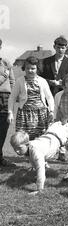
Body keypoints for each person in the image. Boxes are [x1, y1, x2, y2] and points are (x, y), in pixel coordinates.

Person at [10, 112, 68, 194]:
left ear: (27, 144)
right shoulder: (27, 149)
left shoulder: (35, 151)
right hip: (51, 133)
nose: (17, 151)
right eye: (14, 149)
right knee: (66, 124)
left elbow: (40, 169)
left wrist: (39, 189)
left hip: (60, 136)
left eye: (19, 148)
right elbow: (33, 162)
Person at [8, 56, 54, 141]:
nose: (30, 70)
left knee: (40, 140)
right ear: (24, 68)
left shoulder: (42, 81)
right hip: (24, 115)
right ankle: (27, 154)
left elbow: (49, 97)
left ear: (37, 69)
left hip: (41, 115)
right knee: (23, 139)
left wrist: (51, 111)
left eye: (32, 68)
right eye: (27, 68)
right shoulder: (20, 81)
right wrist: (10, 112)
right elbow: (12, 98)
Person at [0, 38, 15, 167]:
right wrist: (4, 76)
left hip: (5, 99)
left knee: (3, 129)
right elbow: (5, 77)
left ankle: (0, 157)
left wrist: (12, 96)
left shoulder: (6, 62)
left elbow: (12, 81)